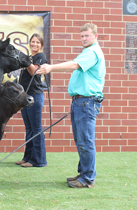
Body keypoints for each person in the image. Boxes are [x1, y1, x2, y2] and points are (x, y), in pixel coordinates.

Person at [37, 23, 106, 188]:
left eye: (87, 36)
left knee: (85, 141)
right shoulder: (87, 51)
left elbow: (74, 65)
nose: (83, 39)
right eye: (82, 36)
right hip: (80, 102)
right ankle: (83, 174)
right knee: (81, 140)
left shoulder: (92, 52)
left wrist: (50, 68)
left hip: (86, 102)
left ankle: (88, 178)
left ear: (95, 36)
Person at [16, 33, 47, 168]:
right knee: (29, 128)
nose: (34, 44)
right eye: (33, 42)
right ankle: (28, 157)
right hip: (26, 96)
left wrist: (27, 61)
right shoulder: (29, 57)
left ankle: (38, 160)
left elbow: (33, 71)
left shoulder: (41, 57)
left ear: (41, 44)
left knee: (36, 128)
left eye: (37, 42)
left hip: (35, 95)